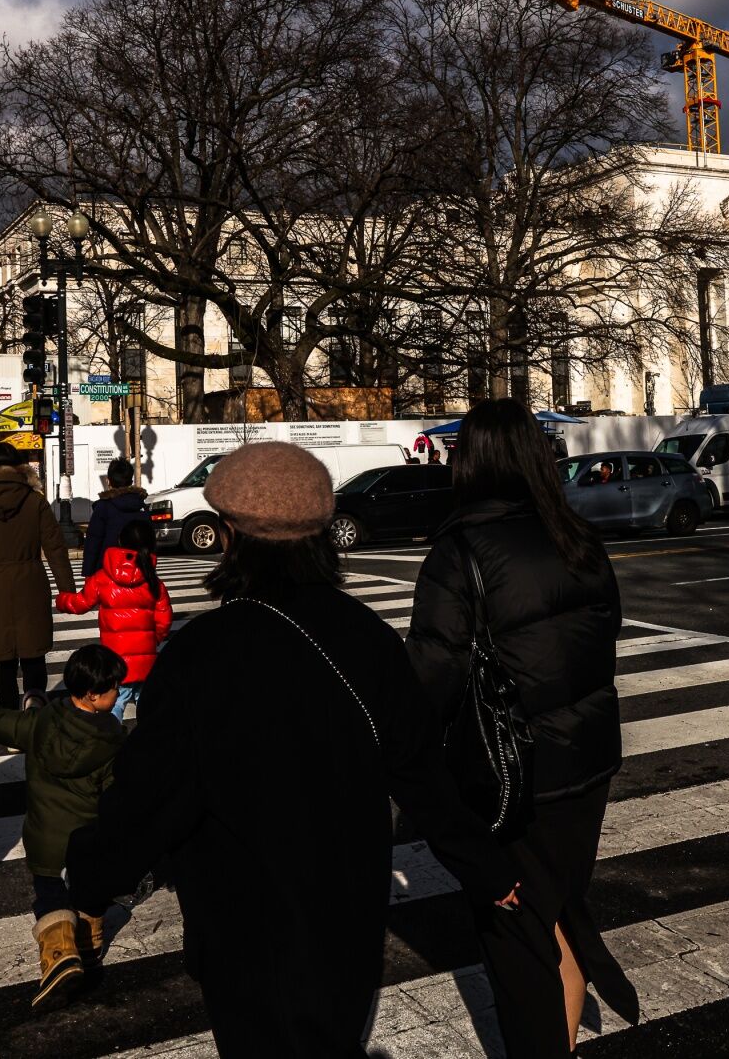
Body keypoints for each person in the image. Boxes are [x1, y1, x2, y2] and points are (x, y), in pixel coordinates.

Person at [69, 442, 518, 1057]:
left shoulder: (201, 654)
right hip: (349, 912)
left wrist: (90, 876)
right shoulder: (367, 635)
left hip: (244, 923)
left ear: (231, 538)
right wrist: (483, 865)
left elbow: (150, 798)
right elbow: (421, 773)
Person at [407, 398, 642, 1058]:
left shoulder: (461, 550)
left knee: (516, 942)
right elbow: (604, 634)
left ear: (470, 463)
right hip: (588, 759)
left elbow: (430, 677)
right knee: (558, 913)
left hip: (512, 776)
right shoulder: (577, 535)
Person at [0, 642, 126, 1012]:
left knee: (51, 896)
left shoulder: (41, 721)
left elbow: (2, 724)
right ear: (92, 694)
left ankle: (60, 955)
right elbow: (117, 797)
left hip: (44, 840)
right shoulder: (112, 741)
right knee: (90, 895)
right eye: (114, 687)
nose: (118, 692)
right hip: (86, 840)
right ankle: (86, 948)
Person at [0, 441, 75, 710]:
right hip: (31, 582)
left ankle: (9, 716)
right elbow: (55, 548)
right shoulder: (34, 501)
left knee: (5, 660)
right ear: (20, 467)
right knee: (34, 654)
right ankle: (34, 705)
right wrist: (67, 590)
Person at [57, 519, 172, 720]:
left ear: (120, 542)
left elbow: (81, 603)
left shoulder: (102, 578)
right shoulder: (154, 582)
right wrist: (153, 640)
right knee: (147, 704)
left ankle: (113, 735)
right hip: (146, 660)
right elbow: (164, 620)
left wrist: (62, 600)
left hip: (116, 661)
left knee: (117, 702)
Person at [81, 457, 149, 578]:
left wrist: (88, 573)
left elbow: (93, 542)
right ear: (131, 481)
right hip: (138, 572)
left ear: (108, 481)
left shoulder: (103, 507)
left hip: (107, 572)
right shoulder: (141, 505)